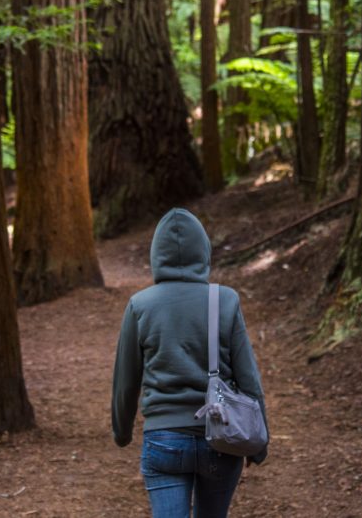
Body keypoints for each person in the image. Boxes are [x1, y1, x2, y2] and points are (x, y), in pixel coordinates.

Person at [111, 208, 268, 518]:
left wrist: (122, 431)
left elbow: (125, 382)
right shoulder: (225, 300)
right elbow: (249, 378)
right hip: (221, 438)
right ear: (204, 252)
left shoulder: (140, 305)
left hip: (163, 440)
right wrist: (260, 443)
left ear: (156, 254)